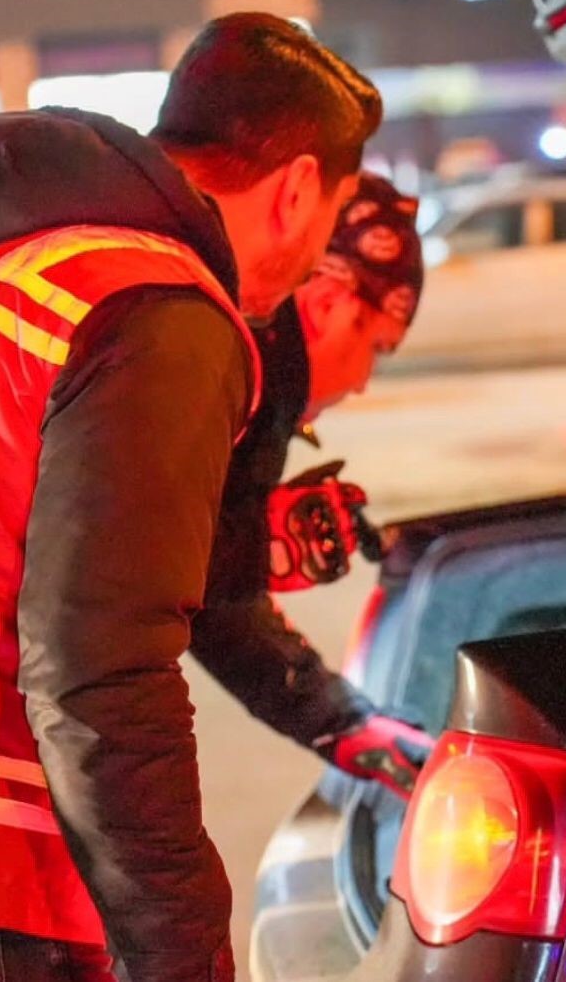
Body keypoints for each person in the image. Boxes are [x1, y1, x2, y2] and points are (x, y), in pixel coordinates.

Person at [0, 13, 378, 982]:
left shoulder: (6, 264)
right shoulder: (158, 308)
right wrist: (181, 959)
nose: (312, 262)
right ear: (299, 188)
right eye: (327, 225)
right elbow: (101, 674)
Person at [190, 176, 432, 792]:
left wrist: (346, 725)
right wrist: (254, 542)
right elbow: (99, 553)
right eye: (377, 346)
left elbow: (213, 608)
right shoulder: (215, 359)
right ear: (328, 301)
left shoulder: (260, 378)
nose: (364, 383)